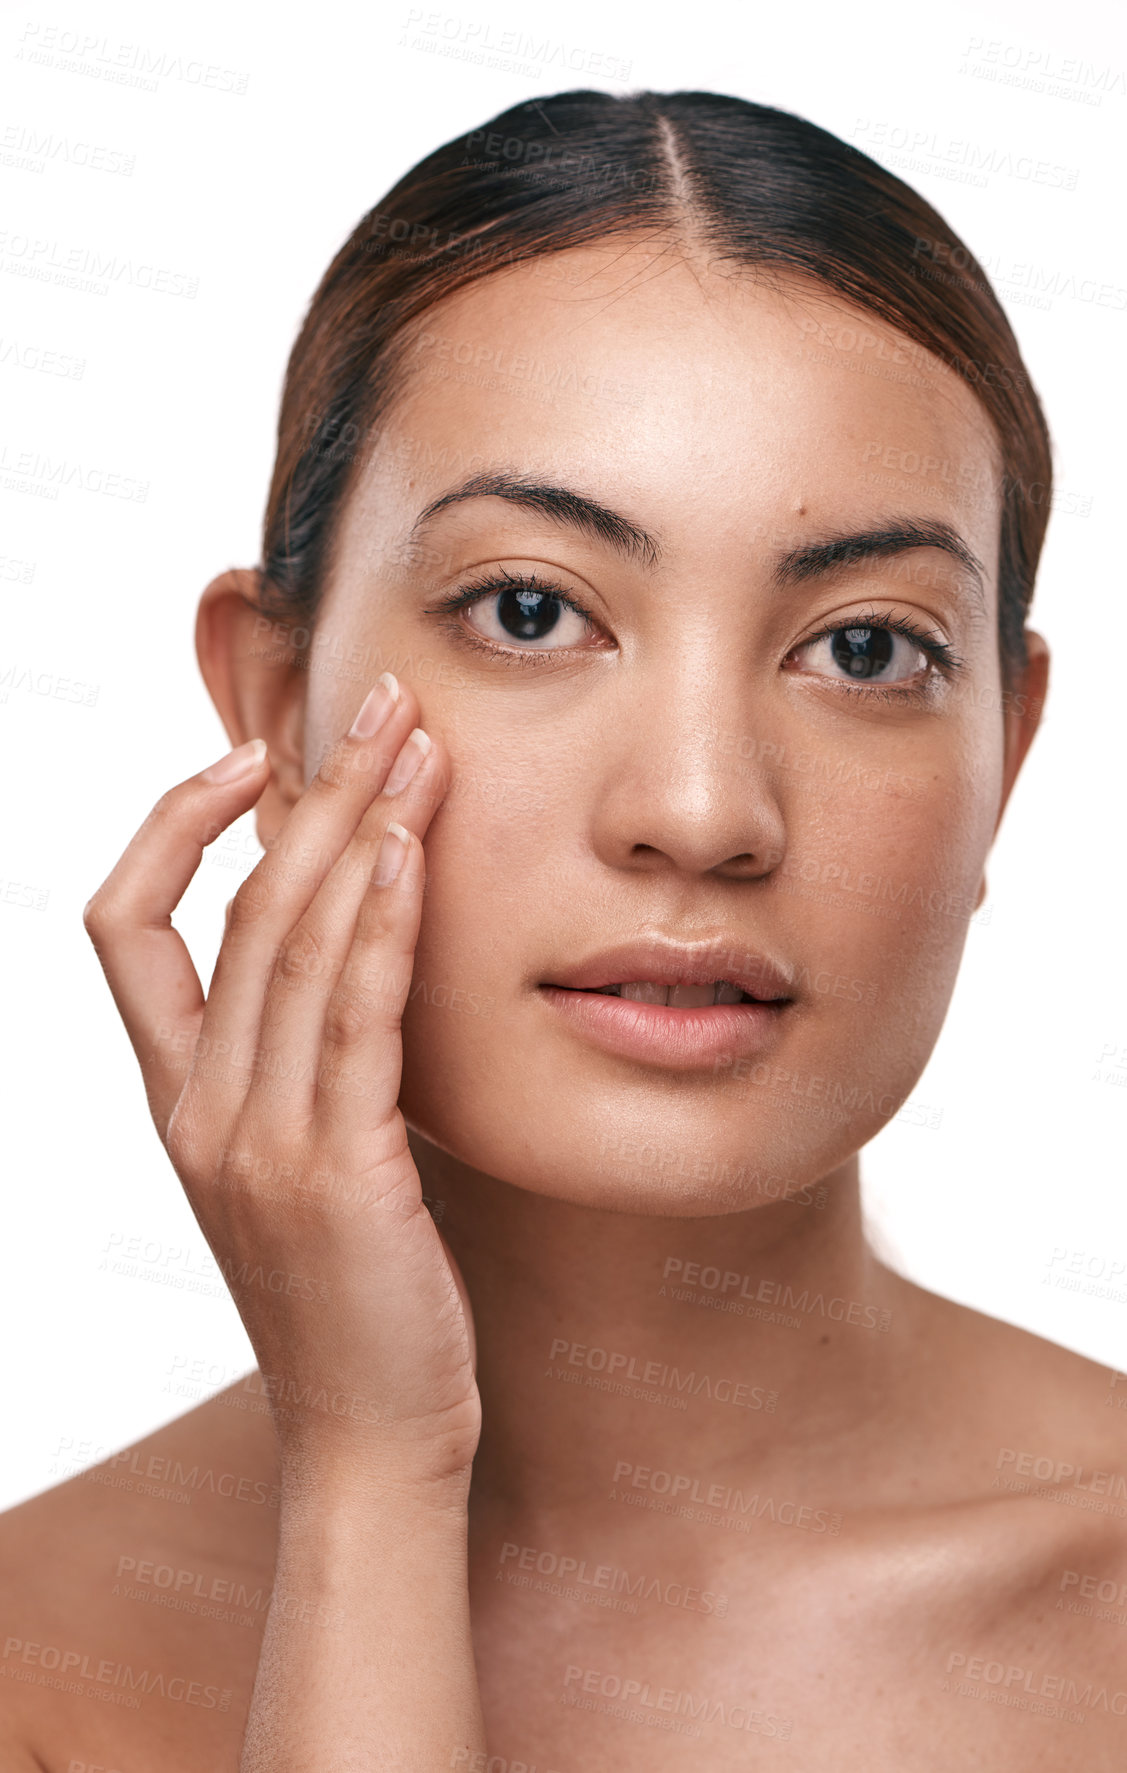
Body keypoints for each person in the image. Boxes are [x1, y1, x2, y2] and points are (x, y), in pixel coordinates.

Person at [2, 87, 1123, 1771]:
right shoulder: (38, 1658)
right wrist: (371, 1474)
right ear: (277, 704)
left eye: (870, 649)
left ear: (1007, 759)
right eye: (532, 610)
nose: (700, 807)